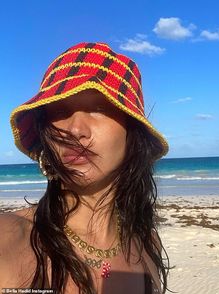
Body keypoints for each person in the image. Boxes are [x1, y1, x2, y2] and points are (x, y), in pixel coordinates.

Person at [0, 42, 169, 293]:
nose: (76, 129)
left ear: (133, 132)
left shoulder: (146, 244)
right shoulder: (8, 238)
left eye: (99, 107)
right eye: (58, 110)